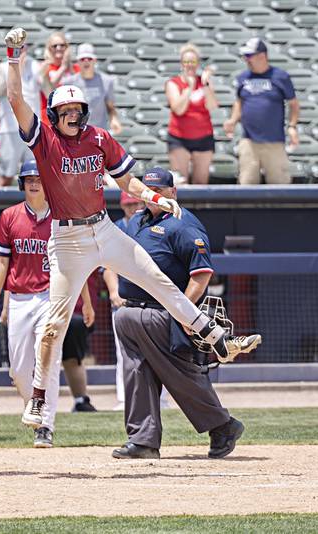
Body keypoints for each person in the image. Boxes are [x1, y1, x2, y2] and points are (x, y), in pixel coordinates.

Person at [3, 27, 261, 428]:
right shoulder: (45, 140)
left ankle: (216, 338)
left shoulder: (100, 138)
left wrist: (157, 198)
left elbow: (128, 182)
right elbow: (16, 98)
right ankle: (38, 396)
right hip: (68, 239)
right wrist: (14, 57)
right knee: (53, 325)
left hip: (103, 229)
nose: (72, 116)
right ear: (54, 116)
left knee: (160, 281)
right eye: (65, 111)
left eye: (77, 110)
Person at [112, 167, 249, 459]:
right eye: (150, 191)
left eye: (160, 191)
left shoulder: (183, 224)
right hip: (129, 310)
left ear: (173, 192)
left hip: (162, 312)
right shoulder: (136, 221)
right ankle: (143, 440)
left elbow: (201, 275)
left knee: (180, 375)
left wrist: (184, 312)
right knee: (136, 374)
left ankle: (223, 426)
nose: (154, 196)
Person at [0, 160, 62, 447]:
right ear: (21, 183)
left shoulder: (59, 216)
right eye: (28, 178)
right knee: (19, 369)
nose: (33, 182)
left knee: (48, 362)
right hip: (18, 298)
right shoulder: (9, 216)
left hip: (49, 297)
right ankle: (34, 405)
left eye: (39, 177)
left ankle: (46, 425)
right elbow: (1, 261)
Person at [225, 38, 299, 185]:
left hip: (274, 142)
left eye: (249, 56)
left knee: (280, 185)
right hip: (249, 141)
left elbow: (294, 104)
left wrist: (292, 126)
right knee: (246, 184)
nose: (246, 59)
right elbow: (239, 101)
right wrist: (233, 120)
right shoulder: (243, 78)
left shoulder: (280, 76)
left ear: (262, 56)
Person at [103, 191, 144, 410]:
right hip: (124, 299)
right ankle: (123, 399)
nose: (133, 208)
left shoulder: (150, 225)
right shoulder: (115, 228)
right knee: (124, 353)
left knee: (156, 353)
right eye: (129, 204)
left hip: (148, 299)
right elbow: (108, 267)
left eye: (136, 203)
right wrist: (114, 293)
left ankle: (160, 399)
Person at [164, 43, 218, 185]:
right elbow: (178, 109)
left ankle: (200, 208)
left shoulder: (204, 83)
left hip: (203, 137)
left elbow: (212, 106)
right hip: (179, 138)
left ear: (198, 63)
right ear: (181, 64)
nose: (190, 65)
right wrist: (190, 87)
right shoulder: (173, 83)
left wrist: (205, 85)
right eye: (186, 62)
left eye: (193, 62)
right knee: (180, 182)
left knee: (201, 182)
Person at [0, 43, 42, 187]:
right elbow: (0, 91)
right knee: (7, 175)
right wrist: (16, 70)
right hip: (10, 129)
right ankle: (0, 208)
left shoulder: (36, 66)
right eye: (17, 47)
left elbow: (48, 88)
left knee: (36, 174)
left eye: (23, 47)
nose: (21, 51)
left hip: (33, 128)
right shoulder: (2, 67)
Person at [64, 43, 121, 135]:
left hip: (98, 132)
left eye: (89, 59)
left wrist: (114, 120)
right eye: (82, 59)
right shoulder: (68, 83)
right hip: (76, 132)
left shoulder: (106, 81)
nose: (86, 61)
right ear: (78, 62)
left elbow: (110, 107)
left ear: (95, 61)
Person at [60, 276, 96, 412]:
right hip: (45, 309)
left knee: (73, 358)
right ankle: (35, 403)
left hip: (77, 312)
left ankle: (81, 401)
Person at [39, 32, 75, 125]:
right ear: (49, 49)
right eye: (54, 46)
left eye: (62, 45)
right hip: (49, 120)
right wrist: (63, 67)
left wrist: (68, 67)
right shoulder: (44, 67)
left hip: (70, 120)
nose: (58, 48)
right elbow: (50, 91)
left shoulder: (75, 69)